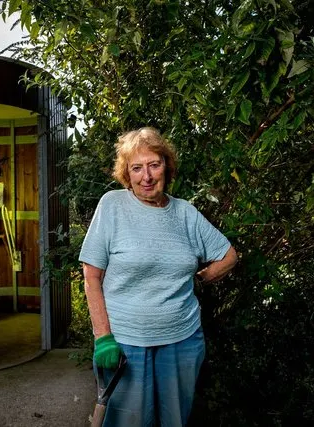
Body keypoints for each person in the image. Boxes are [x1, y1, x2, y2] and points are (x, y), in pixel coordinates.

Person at [79, 127, 238, 426]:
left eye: (154, 164)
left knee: (174, 421)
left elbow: (229, 255)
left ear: (167, 165)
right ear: (127, 173)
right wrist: (103, 339)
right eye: (137, 168)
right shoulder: (112, 206)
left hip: (182, 341)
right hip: (125, 345)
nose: (147, 176)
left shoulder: (185, 213)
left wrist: (199, 278)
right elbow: (91, 275)